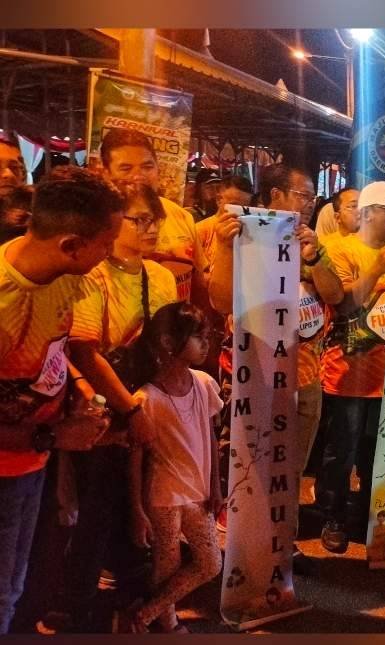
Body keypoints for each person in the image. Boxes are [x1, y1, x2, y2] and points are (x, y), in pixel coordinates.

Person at [41, 182, 180, 633]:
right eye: (139, 219)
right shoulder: (90, 275)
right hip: (107, 408)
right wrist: (128, 409)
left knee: (148, 502)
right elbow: (85, 352)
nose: (150, 227)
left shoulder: (160, 276)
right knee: (97, 507)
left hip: (150, 404)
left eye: (154, 218)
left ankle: (139, 597)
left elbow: (171, 344)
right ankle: (76, 602)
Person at [0, 167, 119, 634]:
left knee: (18, 586)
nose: (109, 254)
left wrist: (76, 386)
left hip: (33, 461)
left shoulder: (64, 274)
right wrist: (55, 434)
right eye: (105, 243)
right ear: (71, 244)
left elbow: (56, 349)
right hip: (9, 468)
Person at [207, 164, 342, 570]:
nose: (310, 202)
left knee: (291, 468)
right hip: (256, 377)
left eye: (311, 197)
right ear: (275, 196)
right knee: (252, 465)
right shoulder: (242, 235)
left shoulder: (310, 241)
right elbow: (220, 301)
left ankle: (282, 543)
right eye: (303, 195)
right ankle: (247, 549)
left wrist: (314, 255)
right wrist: (224, 249)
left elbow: (335, 293)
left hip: (305, 377)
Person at [316, 181, 385, 554]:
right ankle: (333, 515)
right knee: (342, 450)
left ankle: (374, 514)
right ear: (369, 213)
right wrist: (377, 266)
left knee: (378, 450)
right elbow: (345, 305)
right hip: (347, 373)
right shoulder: (338, 249)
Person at [125, 302, 223, 633]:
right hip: (163, 495)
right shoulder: (146, 398)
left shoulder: (204, 384)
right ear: (168, 342)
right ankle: (166, 623)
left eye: (206, 336)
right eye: (197, 336)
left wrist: (217, 485)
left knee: (210, 563)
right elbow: (135, 456)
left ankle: (143, 614)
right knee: (167, 564)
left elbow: (210, 436)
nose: (205, 343)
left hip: (198, 493)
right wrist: (137, 508)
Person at [99, 129, 208, 307]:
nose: (138, 176)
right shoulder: (96, 221)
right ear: (106, 173)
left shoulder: (181, 217)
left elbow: (198, 284)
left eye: (147, 167)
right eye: (126, 168)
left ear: (158, 168)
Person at [194, 175, 253, 274]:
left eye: (245, 207)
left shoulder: (250, 229)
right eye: (235, 205)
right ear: (219, 200)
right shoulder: (200, 230)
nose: (241, 211)